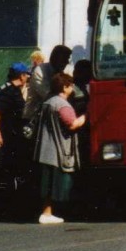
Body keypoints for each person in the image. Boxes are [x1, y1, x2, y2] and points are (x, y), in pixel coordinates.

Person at [34, 72, 86, 224]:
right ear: (64, 87)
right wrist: (85, 117)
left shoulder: (48, 101)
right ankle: (47, 214)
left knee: (47, 182)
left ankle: (48, 213)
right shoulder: (62, 104)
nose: (73, 88)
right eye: (71, 85)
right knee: (54, 183)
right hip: (57, 150)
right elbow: (72, 124)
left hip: (45, 149)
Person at [0, 63, 31, 188]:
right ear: (21, 76)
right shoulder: (8, 91)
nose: (27, 78)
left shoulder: (14, 89)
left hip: (14, 132)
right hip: (7, 133)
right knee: (7, 165)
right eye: (26, 75)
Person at [24, 45, 71, 125]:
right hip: (34, 120)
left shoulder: (63, 71)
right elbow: (49, 96)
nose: (67, 62)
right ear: (56, 58)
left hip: (51, 117)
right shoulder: (40, 71)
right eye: (65, 59)